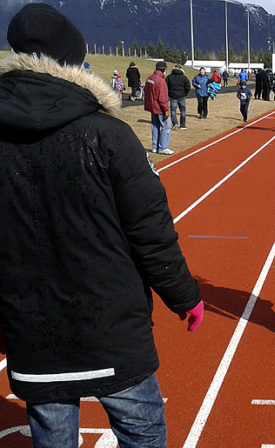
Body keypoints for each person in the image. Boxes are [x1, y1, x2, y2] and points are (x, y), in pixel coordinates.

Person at [0, 4, 204, 448]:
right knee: (143, 433)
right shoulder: (108, 135)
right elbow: (150, 230)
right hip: (112, 329)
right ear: (74, 61)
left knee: (52, 439)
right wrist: (184, 296)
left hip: (32, 331)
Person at [144, 61, 173, 155]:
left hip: (152, 107)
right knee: (166, 127)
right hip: (159, 108)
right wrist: (166, 110)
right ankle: (163, 147)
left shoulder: (150, 78)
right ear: (164, 69)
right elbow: (163, 98)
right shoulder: (161, 81)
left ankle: (155, 147)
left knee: (155, 126)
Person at [166, 63, 191, 130]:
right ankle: (182, 125)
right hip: (182, 96)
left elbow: (165, 86)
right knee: (183, 111)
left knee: (173, 111)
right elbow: (188, 86)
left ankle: (175, 124)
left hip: (173, 96)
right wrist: (185, 93)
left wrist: (169, 94)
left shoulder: (169, 77)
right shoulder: (184, 77)